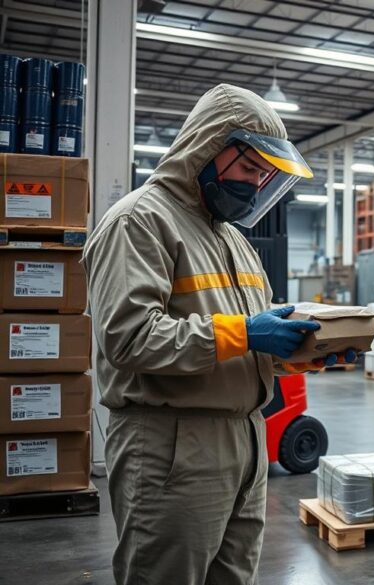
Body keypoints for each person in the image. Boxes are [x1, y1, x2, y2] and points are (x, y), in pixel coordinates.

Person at [83, 84, 340, 585]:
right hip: (174, 445)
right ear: (208, 146)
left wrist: (298, 354)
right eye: (249, 168)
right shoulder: (140, 222)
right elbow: (129, 337)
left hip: (246, 440)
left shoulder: (234, 241)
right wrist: (246, 333)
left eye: (264, 175)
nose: (255, 183)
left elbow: (250, 338)